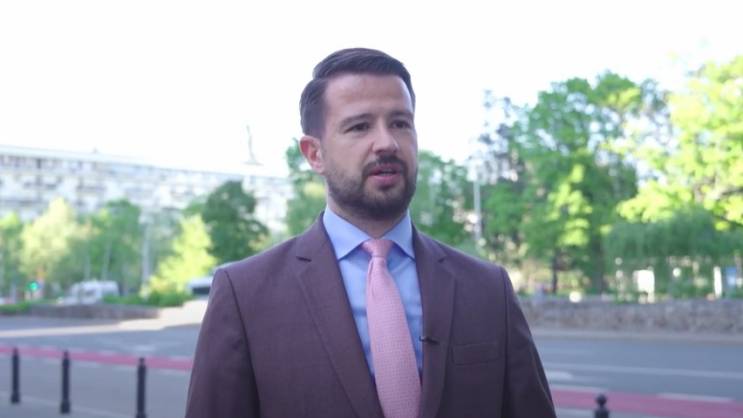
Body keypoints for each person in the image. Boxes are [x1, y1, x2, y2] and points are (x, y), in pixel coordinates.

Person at [185, 48, 556, 418]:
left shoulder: (488, 290)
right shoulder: (244, 295)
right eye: (360, 126)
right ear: (314, 154)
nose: (387, 143)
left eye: (400, 123)